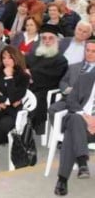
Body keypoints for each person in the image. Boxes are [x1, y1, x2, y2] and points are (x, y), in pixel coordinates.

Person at [52, 67, 95, 196]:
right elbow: (70, 100)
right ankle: (81, 162)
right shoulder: (85, 78)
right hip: (82, 122)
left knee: (70, 134)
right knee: (75, 119)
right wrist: (85, 117)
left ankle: (62, 179)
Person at [26, 25, 69, 134]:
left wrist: (31, 75)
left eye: (51, 38)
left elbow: (53, 78)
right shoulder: (33, 54)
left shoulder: (61, 60)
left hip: (46, 90)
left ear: (56, 40)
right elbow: (23, 66)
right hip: (28, 86)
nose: (47, 41)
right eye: (44, 38)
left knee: (35, 98)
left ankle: (27, 128)